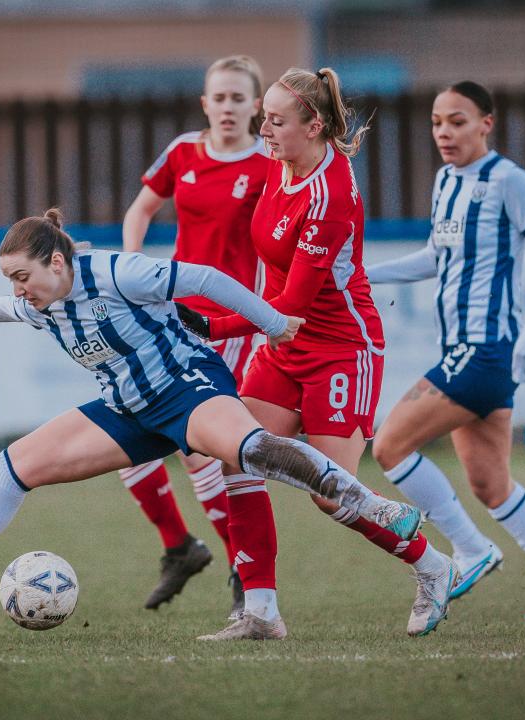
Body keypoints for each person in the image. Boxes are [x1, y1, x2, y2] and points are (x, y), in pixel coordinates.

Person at [0, 208, 424, 642]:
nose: (18, 289)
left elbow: (205, 278)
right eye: (11, 279)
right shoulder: (37, 304)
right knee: (14, 466)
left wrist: (273, 322)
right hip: (128, 410)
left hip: (187, 390)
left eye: (23, 276)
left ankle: (371, 505)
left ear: (56, 263)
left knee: (251, 451)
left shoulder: (116, 271)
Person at [178, 67, 458, 638]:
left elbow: (288, 311)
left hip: (338, 347)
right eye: (265, 118)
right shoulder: (276, 164)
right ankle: (260, 611)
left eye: (276, 121)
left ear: (315, 126)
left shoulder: (331, 194)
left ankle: (432, 565)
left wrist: (210, 327)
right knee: (238, 455)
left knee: (331, 496)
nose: (265, 130)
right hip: (281, 343)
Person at [366, 81, 525, 620]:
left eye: (456, 120)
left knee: (389, 445)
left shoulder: (508, 181)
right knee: (490, 483)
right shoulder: (446, 180)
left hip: (485, 352)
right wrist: (363, 274)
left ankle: (471, 551)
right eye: (436, 122)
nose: (444, 132)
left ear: (485, 124)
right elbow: (435, 255)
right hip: (463, 349)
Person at [117, 55, 270, 616]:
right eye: (219, 98)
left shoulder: (268, 166)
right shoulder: (183, 152)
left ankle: (241, 569)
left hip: (226, 328)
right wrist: (132, 266)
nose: (228, 107)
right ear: (205, 103)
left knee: (198, 448)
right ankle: (180, 547)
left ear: (257, 106)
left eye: (238, 98)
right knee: (128, 438)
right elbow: (142, 208)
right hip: (168, 314)